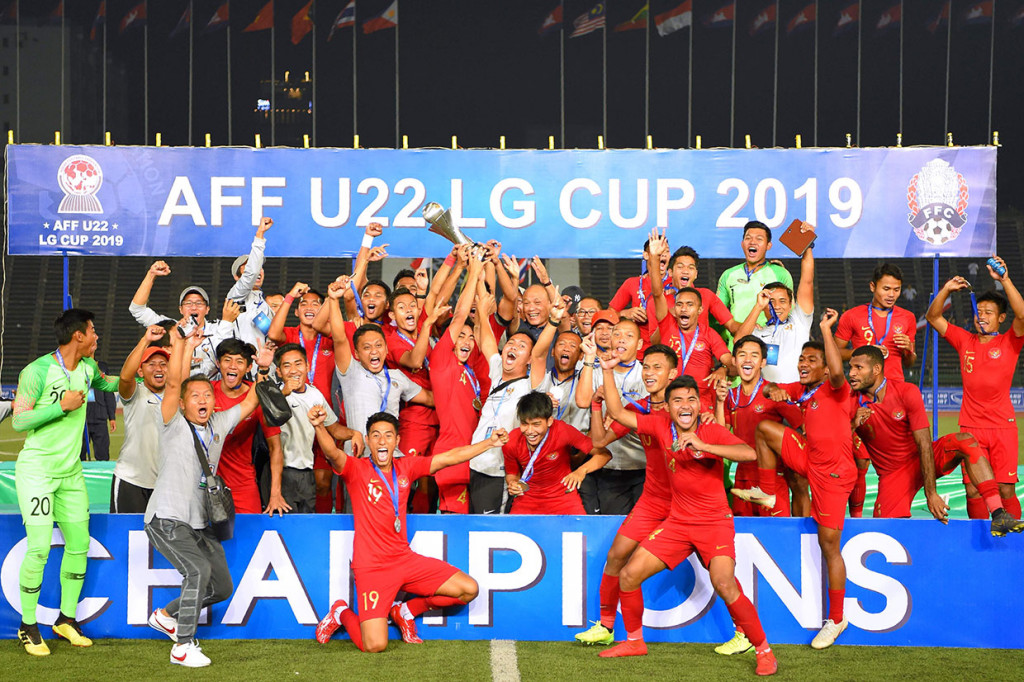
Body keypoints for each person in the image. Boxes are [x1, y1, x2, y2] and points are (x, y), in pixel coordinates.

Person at [597, 376, 777, 676]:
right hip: (678, 523)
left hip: (714, 523)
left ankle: (764, 651)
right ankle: (634, 641)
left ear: (699, 405)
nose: (685, 405)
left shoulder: (710, 430)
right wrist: (605, 367)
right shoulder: (658, 426)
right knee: (628, 575)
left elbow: (749, 453)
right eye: (678, 400)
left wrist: (705, 445)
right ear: (667, 407)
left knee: (724, 583)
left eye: (691, 399)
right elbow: (617, 412)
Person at [312, 411, 508, 652]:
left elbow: (448, 458)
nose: (382, 441)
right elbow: (332, 454)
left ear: (397, 441)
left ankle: (406, 611)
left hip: (405, 561)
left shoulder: (406, 467)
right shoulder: (356, 469)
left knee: (468, 589)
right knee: (374, 645)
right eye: (376, 435)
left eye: (388, 435)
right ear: (368, 440)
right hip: (372, 568)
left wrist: (490, 443)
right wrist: (319, 427)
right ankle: (341, 611)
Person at [144, 326, 267, 667]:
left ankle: (166, 616)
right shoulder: (172, 422)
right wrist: (181, 344)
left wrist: (264, 368)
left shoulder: (219, 423)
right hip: (168, 518)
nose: (202, 401)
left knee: (222, 588)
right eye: (194, 396)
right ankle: (182, 645)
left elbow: (252, 399)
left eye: (206, 396)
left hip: (201, 522)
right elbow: (173, 383)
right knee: (197, 570)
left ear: (215, 400)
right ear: (182, 404)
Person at [732, 311, 855, 650]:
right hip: (808, 458)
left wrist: (828, 331)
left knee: (829, 543)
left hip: (833, 473)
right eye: (801, 358)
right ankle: (767, 493)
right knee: (766, 429)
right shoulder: (801, 388)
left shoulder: (836, 389)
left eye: (811, 360)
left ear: (825, 368)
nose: (803, 363)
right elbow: (770, 386)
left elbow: (838, 370)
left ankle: (837, 617)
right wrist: (775, 391)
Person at [11, 309, 121, 655]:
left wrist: (147, 367)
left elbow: (113, 383)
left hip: (71, 473)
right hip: (38, 472)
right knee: (40, 547)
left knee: (78, 545)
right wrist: (60, 407)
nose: (97, 337)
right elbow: (18, 420)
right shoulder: (37, 371)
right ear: (78, 336)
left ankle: (65, 620)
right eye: (93, 332)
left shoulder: (89, 368)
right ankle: (28, 626)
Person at [848, 345, 1024, 535]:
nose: (851, 373)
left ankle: (998, 513)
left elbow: (924, 443)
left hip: (923, 457)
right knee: (887, 531)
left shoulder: (906, 391)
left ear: (876, 369)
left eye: (858, 368)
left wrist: (931, 494)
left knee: (965, 440)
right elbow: (834, 443)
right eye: (850, 367)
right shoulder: (849, 401)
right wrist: (851, 424)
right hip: (893, 475)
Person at [573, 344, 677, 645]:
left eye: (657, 367)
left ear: (672, 373)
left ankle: (744, 632)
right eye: (646, 367)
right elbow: (599, 440)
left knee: (716, 569)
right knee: (616, 556)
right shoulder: (638, 409)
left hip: (687, 503)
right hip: (653, 499)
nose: (649, 373)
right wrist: (596, 407)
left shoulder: (684, 406)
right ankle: (606, 627)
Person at [926, 256, 1024, 520]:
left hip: (1003, 426)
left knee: (1004, 488)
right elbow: (932, 317)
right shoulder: (964, 340)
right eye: (979, 311)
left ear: (1001, 318)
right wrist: (946, 289)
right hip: (971, 427)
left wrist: (1005, 280)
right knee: (972, 489)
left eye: (988, 313)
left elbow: (1023, 314)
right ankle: (979, 539)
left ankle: (1012, 539)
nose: (982, 316)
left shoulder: (1010, 342)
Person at [468, 285, 547, 514]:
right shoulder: (496, 370)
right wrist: (482, 313)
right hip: (476, 464)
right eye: (511, 343)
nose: (513, 346)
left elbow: (541, 353)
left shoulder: (531, 385)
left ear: (530, 359)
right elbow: (487, 342)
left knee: (491, 531)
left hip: (500, 471)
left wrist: (553, 322)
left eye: (522, 346)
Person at [328, 279, 433, 448]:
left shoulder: (397, 377)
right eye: (367, 348)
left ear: (386, 350)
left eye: (378, 346)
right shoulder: (351, 373)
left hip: (392, 458)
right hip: (360, 456)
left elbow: (430, 398)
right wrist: (333, 300)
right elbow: (340, 338)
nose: (374, 351)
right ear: (356, 353)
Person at [715, 336, 804, 522]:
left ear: (763, 362)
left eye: (754, 355)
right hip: (742, 480)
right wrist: (719, 402)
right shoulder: (729, 396)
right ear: (734, 361)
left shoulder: (775, 393)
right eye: (742, 354)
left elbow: (803, 428)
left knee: (777, 538)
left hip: (772, 481)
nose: (748, 359)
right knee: (744, 545)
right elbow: (719, 437)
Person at [267, 282, 337, 512]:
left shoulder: (329, 339)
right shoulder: (289, 335)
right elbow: (273, 333)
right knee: (298, 477)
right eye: (303, 303)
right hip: (296, 418)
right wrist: (289, 297)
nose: (309, 307)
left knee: (324, 483)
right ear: (296, 311)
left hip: (322, 417)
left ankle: (322, 528)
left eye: (316, 303)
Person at [274, 343, 364, 513]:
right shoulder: (275, 394)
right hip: (282, 472)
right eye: (287, 366)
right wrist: (284, 392)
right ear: (278, 372)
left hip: (307, 472)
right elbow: (268, 416)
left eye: (298, 363)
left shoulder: (315, 394)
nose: (293, 370)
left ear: (307, 366)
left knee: (307, 524)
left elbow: (334, 429)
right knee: (286, 527)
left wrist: (354, 433)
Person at [575, 319, 648, 514]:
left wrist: (617, 416)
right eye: (617, 335)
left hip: (644, 467)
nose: (621, 340)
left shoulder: (645, 374)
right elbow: (582, 401)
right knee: (614, 529)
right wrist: (589, 358)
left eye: (629, 336)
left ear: (639, 344)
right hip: (610, 466)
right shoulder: (599, 371)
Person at [733, 223, 816, 384]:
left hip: (798, 395)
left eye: (783, 301)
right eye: (771, 302)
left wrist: (807, 246)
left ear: (791, 302)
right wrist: (758, 306)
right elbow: (738, 342)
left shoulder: (800, 320)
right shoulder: (757, 334)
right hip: (769, 397)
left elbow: (807, 280)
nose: (777, 306)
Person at [503, 392, 611, 514]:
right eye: (524, 424)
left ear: (549, 421)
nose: (530, 431)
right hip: (527, 499)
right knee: (512, 532)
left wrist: (581, 471)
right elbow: (512, 473)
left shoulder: (563, 431)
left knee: (579, 532)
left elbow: (604, 454)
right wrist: (512, 483)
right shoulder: (511, 441)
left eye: (536, 424)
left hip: (563, 498)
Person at [210, 339, 283, 515]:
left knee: (251, 537)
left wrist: (275, 493)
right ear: (218, 364)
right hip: (206, 482)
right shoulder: (205, 392)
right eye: (227, 360)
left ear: (249, 368)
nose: (233, 366)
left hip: (242, 483)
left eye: (240, 361)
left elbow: (275, 447)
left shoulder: (257, 395)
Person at [129, 260, 234, 377]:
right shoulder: (170, 329)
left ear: (207, 309)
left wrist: (227, 322)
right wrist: (151, 275)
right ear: (180, 309)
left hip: (211, 391)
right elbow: (137, 309)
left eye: (199, 303)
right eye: (188, 303)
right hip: (176, 390)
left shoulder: (220, 328)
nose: (193, 307)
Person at [111, 326, 170, 513]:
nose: (158, 368)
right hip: (132, 480)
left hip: (164, 483)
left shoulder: (176, 396)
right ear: (141, 371)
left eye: (163, 364)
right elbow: (125, 377)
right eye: (151, 364)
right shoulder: (135, 392)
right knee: (125, 536)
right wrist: (145, 340)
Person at [835, 263, 917, 381]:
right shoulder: (851, 315)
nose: (891, 295)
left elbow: (909, 363)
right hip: (862, 387)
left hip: (895, 388)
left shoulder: (908, 317)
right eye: (886, 289)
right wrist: (863, 353)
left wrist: (909, 349)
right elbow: (834, 354)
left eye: (896, 290)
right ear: (872, 286)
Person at [716, 221, 793, 330]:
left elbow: (790, 312)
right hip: (735, 343)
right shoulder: (728, 274)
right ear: (742, 243)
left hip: (768, 342)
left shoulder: (781, 274)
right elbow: (717, 313)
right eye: (748, 238)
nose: (753, 242)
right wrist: (743, 329)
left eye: (759, 239)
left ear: (768, 245)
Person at [609, 235, 672, 350]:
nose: (662, 254)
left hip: (669, 350)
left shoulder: (676, 284)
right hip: (636, 353)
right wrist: (625, 313)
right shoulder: (632, 283)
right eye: (658, 251)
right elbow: (608, 315)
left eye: (666, 251)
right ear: (646, 255)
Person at [226, 216, 275, 351]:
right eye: (246, 267)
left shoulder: (263, 302)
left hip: (262, 366)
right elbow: (251, 274)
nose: (257, 271)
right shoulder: (236, 295)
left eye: (260, 267)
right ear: (237, 277)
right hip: (239, 363)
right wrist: (260, 235)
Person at [80, 359, 116, 461]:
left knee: (103, 455)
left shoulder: (102, 367)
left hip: (100, 418)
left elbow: (108, 392)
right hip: (80, 419)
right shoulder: (75, 366)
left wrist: (112, 417)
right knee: (79, 456)